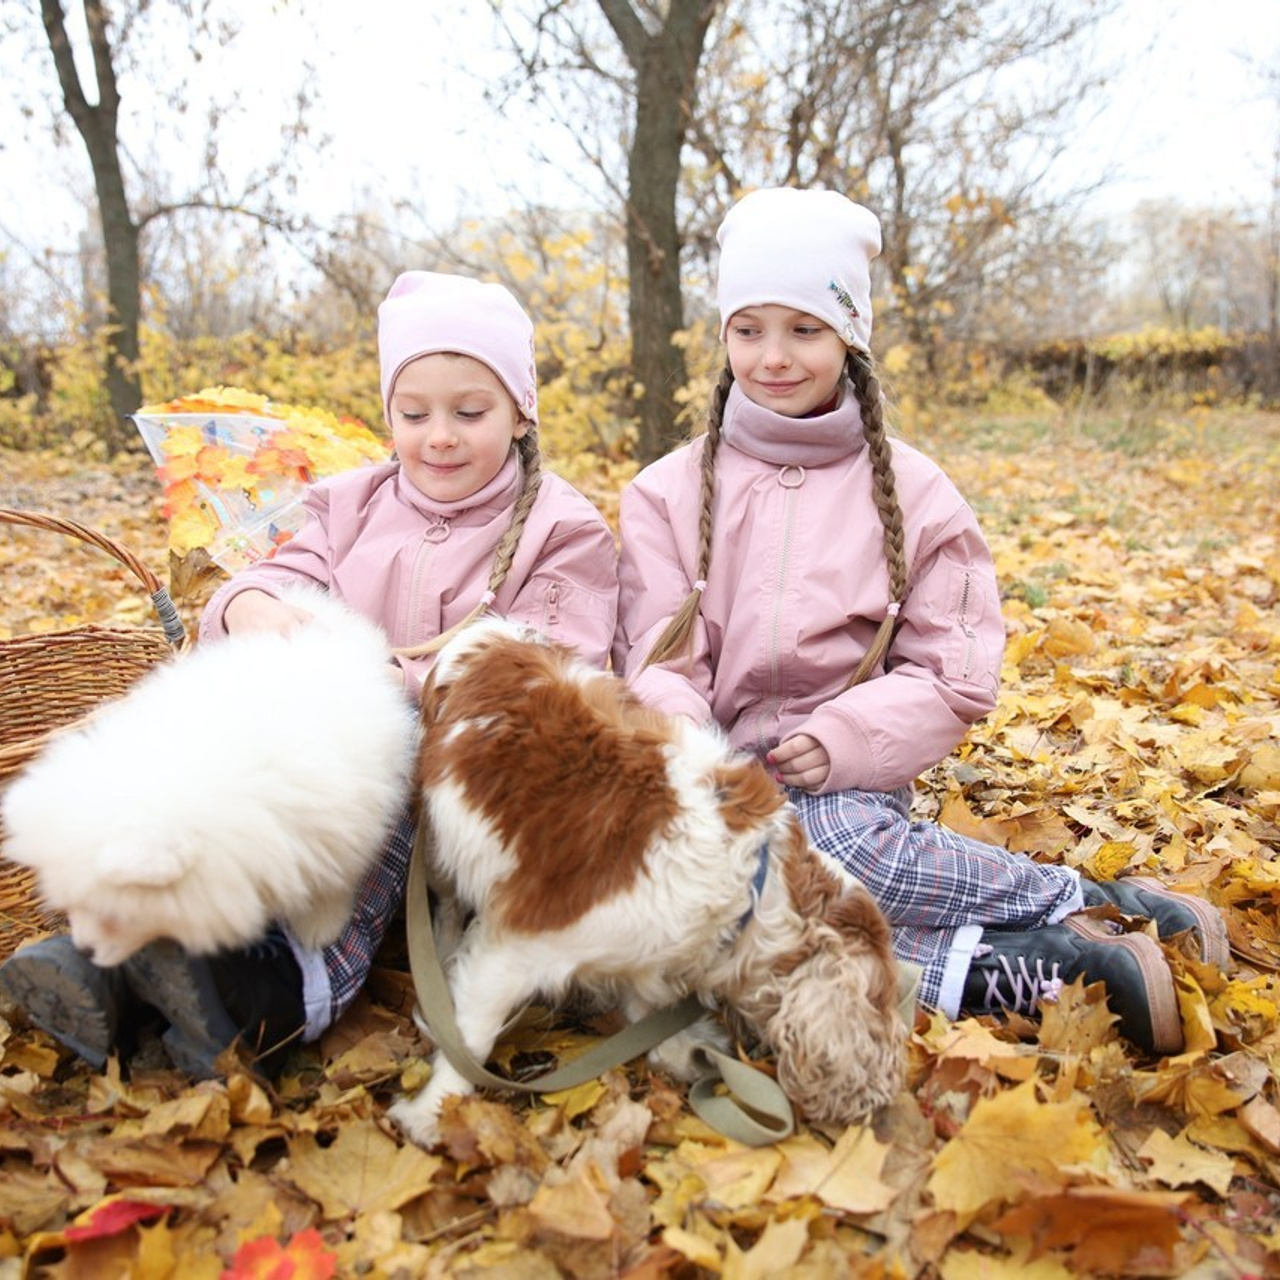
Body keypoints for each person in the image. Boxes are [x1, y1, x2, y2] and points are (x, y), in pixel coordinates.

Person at [612, 187, 1228, 1056]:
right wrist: (694, 755)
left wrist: (850, 737)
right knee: (721, 930)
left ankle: (1079, 902)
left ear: (850, 336)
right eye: (748, 330)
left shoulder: (916, 491)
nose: (774, 357)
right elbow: (652, 656)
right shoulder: (667, 491)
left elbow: (955, 665)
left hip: (847, 785)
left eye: (804, 330)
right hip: (709, 790)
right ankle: (1037, 972)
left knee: (825, 849)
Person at [0, 270, 619, 1078]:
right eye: (413, 413)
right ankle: (112, 954)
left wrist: (394, 682)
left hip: (457, 766)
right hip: (318, 729)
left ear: (520, 412)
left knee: (361, 817)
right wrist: (250, 604)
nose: (439, 436)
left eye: (470, 413)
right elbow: (275, 577)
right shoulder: (350, 503)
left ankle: (264, 991)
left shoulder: (559, 529)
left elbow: (556, 659)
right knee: (224, 791)